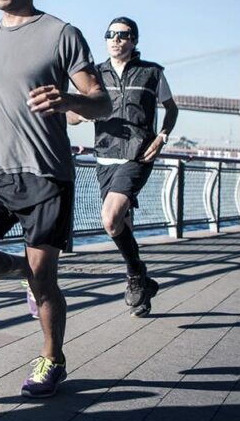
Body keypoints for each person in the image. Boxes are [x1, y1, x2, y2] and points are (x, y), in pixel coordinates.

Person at [0, 0, 112, 398]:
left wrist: (69, 101)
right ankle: (26, 272)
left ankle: (52, 358)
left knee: (47, 282)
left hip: (46, 174)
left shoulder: (62, 34)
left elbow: (102, 101)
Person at [67, 17, 177, 316]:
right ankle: (142, 287)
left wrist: (162, 136)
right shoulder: (94, 74)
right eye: (111, 34)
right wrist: (84, 113)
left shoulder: (152, 73)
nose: (116, 39)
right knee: (121, 224)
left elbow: (171, 108)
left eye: (124, 35)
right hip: (104, 156)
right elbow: (70, 115)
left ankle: (134, 275)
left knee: (110, 218)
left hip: (138, 155)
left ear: (134, 40)